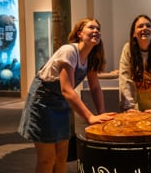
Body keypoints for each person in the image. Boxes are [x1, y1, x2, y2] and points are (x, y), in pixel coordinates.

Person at [18, 18, 115, 173]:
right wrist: (90, 117)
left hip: (61, 103)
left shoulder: (91, 57)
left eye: (98, 28)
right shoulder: (69, 51)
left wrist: (101, 114)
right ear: (79, 33)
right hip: (43, 101)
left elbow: (95, 87)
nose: (96, 30)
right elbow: (67, 89)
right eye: (91, 27)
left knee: (62, 156)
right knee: (47, 159)